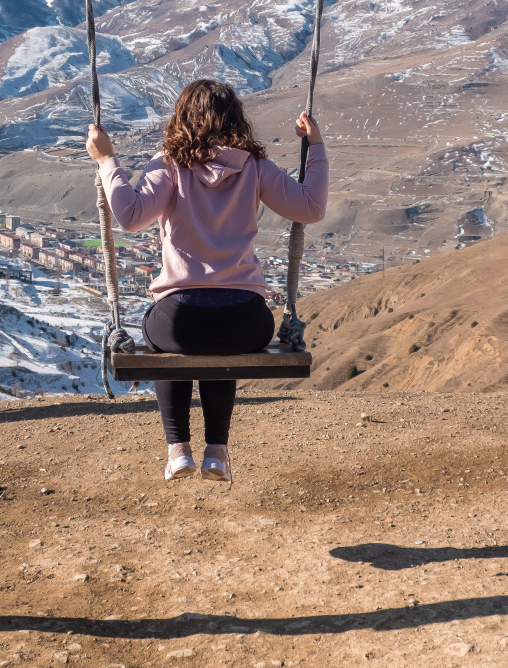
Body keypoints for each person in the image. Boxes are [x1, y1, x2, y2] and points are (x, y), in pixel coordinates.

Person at [87, 79, 329, 484]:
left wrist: (107, 160)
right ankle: (216, 452)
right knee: (221, 340)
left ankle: (178, 449)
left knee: (171, 342)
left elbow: (130, 216)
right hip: (246, 322)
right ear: (237, 119)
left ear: (182, 117)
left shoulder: (168, 165)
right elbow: (311, 207)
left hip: (178, 320)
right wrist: (316, 148)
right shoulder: (254, 168)